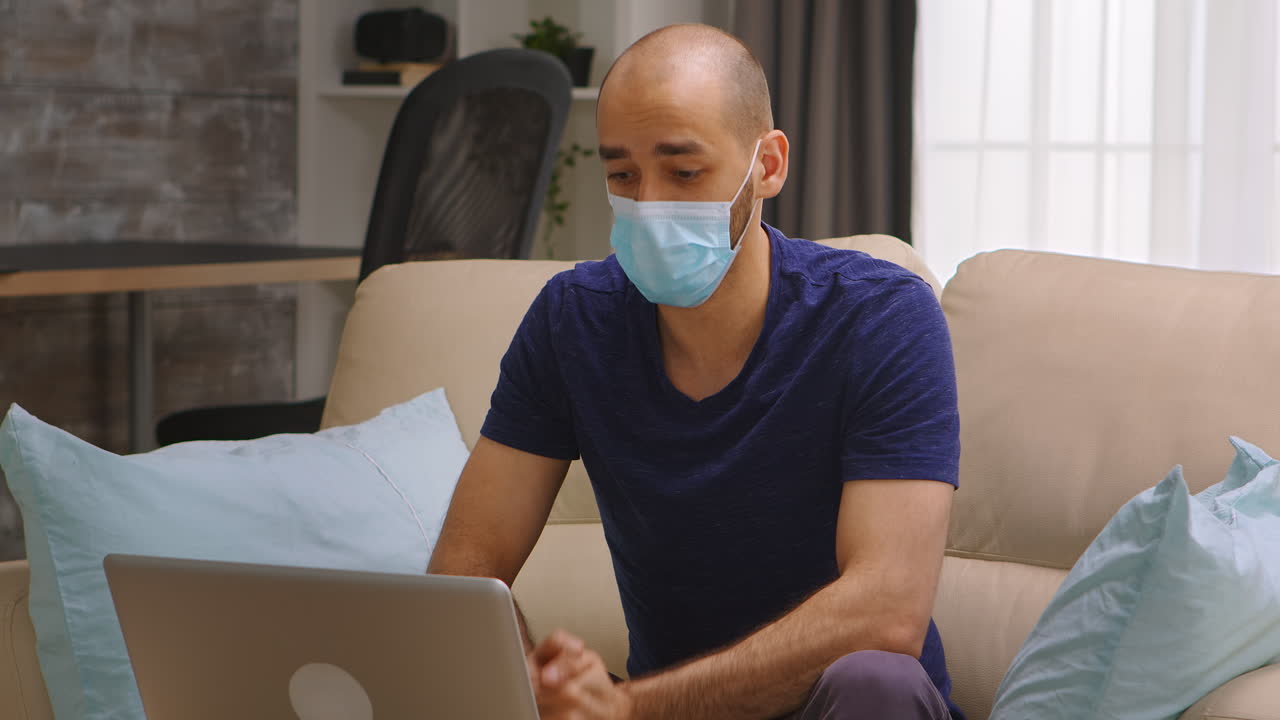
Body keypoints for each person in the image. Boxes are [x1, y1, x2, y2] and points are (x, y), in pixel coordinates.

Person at [428, 23, 962, 720]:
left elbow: (888, 611)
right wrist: (541, 690)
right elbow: (466, 571)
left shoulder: (881, 317)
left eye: (683, 172)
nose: (648, 205)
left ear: (767, 165)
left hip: (834, 709)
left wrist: (631, 709)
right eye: (622, 174)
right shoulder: (574, 321)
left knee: (875, 681)